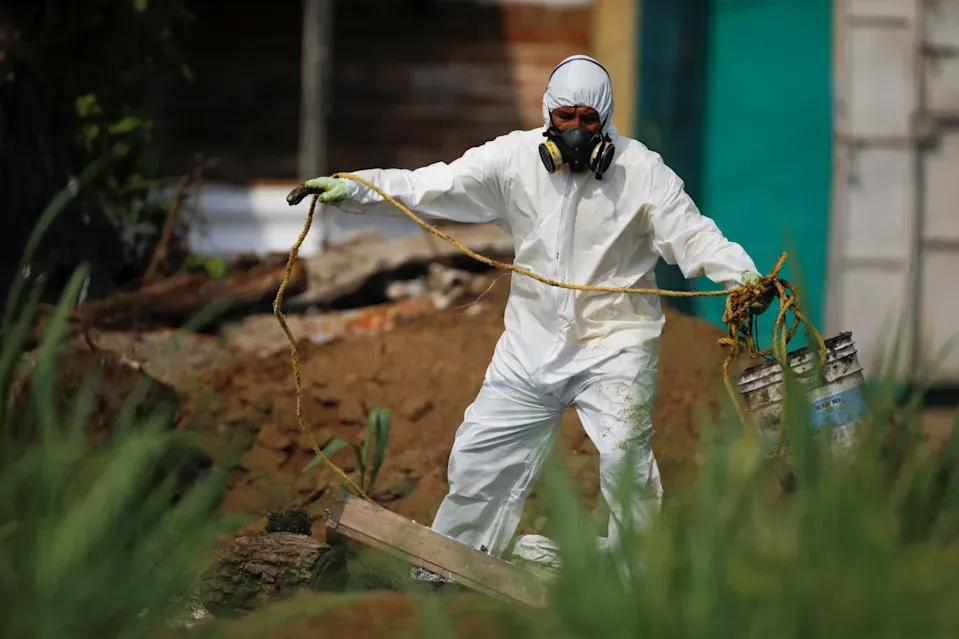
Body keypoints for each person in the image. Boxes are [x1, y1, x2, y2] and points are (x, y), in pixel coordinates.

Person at [294, 54, 766, 581]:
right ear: (548, 115)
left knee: (626, 467)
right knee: (479, 458)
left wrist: (741, 276)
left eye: (590, 119)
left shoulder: (643, 173)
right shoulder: (512, 160)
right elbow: (432, 186)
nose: (577, 131)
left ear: (607, 119)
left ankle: (639, 594)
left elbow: (693, 234)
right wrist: (353, 188)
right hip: (530, 343)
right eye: (566, 117)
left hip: (616, 344)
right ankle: (446, 575)